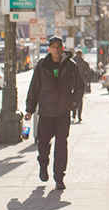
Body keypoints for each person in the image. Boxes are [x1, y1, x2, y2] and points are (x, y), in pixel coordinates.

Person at [24, 36, 84, 190]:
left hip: (63, 112)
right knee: (43, 144)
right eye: (53, 47)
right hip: (46, 112)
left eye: (59, 47)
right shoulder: (42, 66)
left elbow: (79, 87)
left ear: (62, 48)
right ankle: (43, 164)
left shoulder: (70, 66)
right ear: (49, 49)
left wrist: (73, 103)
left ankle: (59, 177)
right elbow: (34, 88)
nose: (56, 50)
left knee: (61, 145)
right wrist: (30, 110)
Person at [71, 49, 94, 123]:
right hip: (81, 83)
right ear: (81, 54)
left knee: (72, 98)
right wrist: (86, 79)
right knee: (80, 100)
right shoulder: (84, 63)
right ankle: (79, 115)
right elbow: (89, 72)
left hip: (71, 83)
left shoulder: (71, 63)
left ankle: (73, 113)